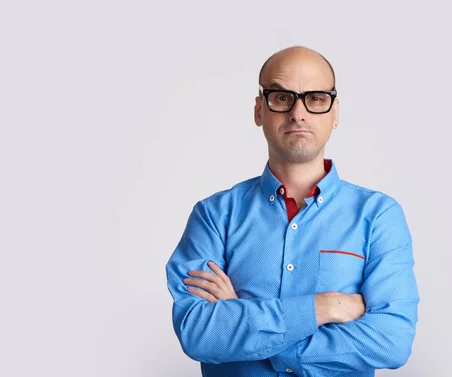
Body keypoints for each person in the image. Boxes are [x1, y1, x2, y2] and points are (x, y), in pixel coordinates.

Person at [165, 46, 420, 377]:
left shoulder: (379, 216)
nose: (298, 113)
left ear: (335, 112)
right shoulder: (214, 216)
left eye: (315, 98)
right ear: (259, 110)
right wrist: (325, 307)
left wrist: (245, 321)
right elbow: (198, 333)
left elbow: (391, 342)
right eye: (282, 97)